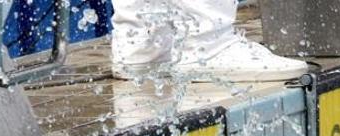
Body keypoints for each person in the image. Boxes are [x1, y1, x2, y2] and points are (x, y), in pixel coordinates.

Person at [111, 0, 309, 81]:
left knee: (146, 38)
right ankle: (209, 44)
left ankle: (145, 42)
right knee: (208, 38)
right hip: (207, 41)